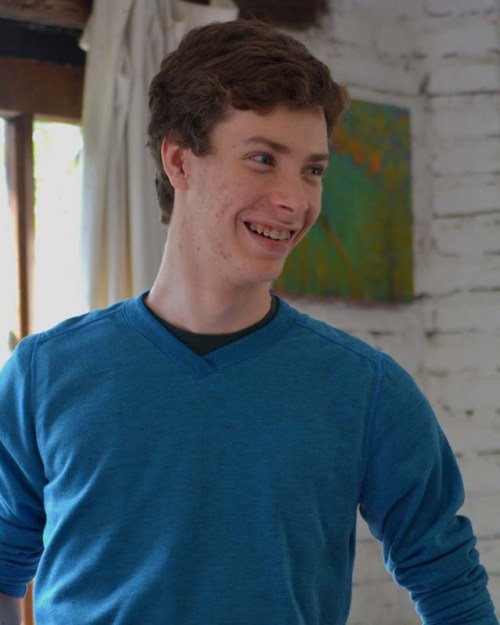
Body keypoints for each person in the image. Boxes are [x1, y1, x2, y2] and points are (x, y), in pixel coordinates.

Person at [0, 19, 497, 625]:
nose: (296, 200)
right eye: (263, 159)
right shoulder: (44, 373)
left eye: (313, 170)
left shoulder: (367, 390)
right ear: (180, 161)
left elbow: (450, 587)